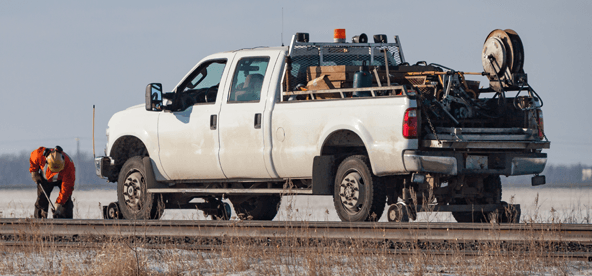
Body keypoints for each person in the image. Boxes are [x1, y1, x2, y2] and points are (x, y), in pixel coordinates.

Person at [29, 146, 75, 218]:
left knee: (66, 202)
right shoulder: (39, 154)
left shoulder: (69, 165)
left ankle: (64, 222)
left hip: (61, 179)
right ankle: (39, 222)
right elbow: (33, 159)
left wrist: (59, 203)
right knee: (42, 199)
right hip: (45, 178)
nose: (55, 173)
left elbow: (67, 187)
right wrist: (34, 172)